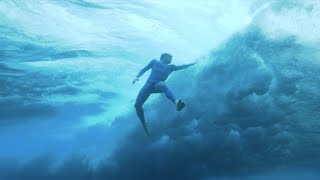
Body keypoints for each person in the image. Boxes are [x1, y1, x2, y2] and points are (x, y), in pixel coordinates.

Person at [133, 53, 197, 127]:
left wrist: (191, 64)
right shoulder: (154, 62)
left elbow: (182, 66)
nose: (171, 59)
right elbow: (144, 69)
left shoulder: (171, 67)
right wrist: (137, 76)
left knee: (162, 84)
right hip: (148, 86)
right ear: (164, 57)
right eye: (170, 57)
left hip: (158, 85)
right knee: (137, 105)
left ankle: (176, 103)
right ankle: (143, 122)